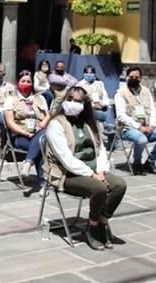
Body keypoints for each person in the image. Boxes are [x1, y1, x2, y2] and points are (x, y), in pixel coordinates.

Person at [46, 86, 127, 250]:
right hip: (67, 174)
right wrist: (91, 174)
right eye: (69, 99)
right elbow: (66, 159)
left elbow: (100, 149)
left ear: (84, 104)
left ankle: (102, 220)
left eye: (77, 101)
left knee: (119, 185)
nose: (72, 103)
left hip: (94, 170)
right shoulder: (56, 124)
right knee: (99, 189)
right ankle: (92, 225)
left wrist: (101, 170)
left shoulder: (89, 123)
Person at [114, 67, 156, 175]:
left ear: (140, 78)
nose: (134, 79)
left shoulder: (146, 91)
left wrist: (152, 125)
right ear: (127, 77)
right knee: (141, 139)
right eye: (131, 77)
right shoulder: (120, 93)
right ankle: (137, 163)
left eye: (136, 77)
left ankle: (150, 162)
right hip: (128, 128)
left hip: (147, 126)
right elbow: (121, 116)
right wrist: (138, 127)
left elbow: (153, 109)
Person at [2, 70, 50, 183]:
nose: (26, 83)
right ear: (18, 83)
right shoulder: (11, 100)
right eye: (23, 81)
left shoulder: (40, 98)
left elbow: (48, 116)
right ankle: (43, 181)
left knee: (44, 137)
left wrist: (41, 125)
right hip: (20, 136)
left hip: (39, 132)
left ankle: (28, 163)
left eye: (28, 81)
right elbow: (10, 122)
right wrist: (26, 133)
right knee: (42, 145)